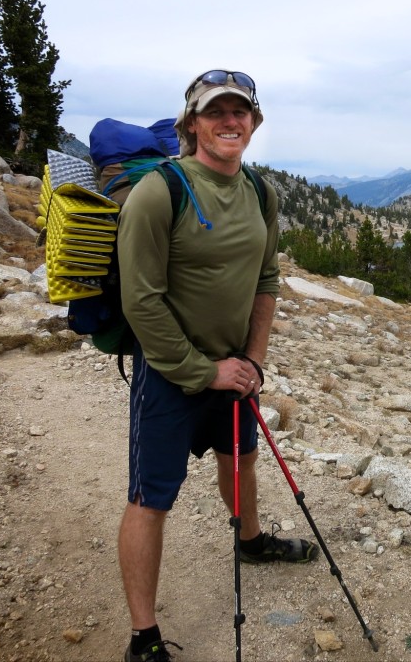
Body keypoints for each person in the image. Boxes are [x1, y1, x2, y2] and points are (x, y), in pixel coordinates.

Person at [116, 70, 318, 662]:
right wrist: (203, 372)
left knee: (242, 458)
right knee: (151, 496)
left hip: (236, 369)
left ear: (254, 121)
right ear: (192, 123)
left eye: (241, 112)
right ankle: (143, 636)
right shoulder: (161, 192)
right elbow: (141, 301)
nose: (230, 122)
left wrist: (252, 360)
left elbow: (264, 279)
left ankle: (250, 542)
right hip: (170, 372)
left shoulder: (261, 192)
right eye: (216, 112)